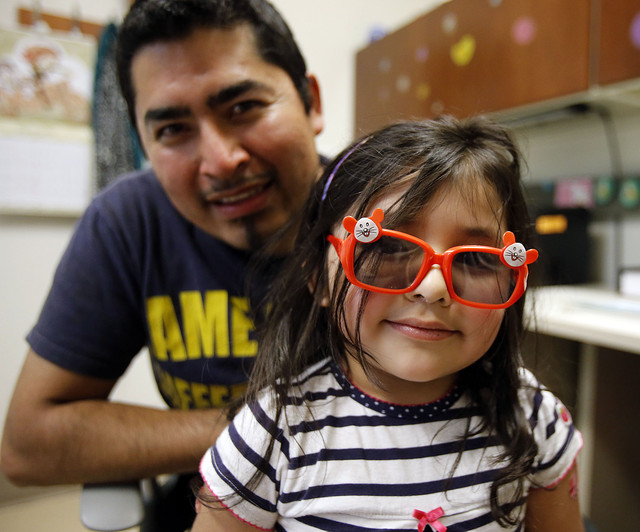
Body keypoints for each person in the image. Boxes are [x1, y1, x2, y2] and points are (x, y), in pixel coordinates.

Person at [1, 0, 323, 529]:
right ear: (143, 142)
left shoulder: (378, 216)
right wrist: (281, 427)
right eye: (173, 129)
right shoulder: (130, 221)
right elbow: (28, 443)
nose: (220, 160)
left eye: (243, 106)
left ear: (311, 102)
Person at [193, 117, 585, 531]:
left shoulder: (531, 415)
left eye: (475, 258)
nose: (433, 288)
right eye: (387, 246)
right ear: (316, 274)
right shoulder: (273, 431)